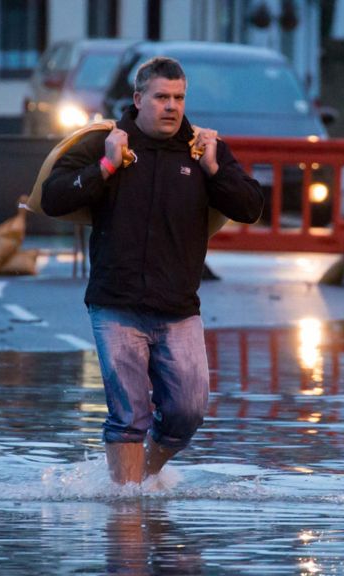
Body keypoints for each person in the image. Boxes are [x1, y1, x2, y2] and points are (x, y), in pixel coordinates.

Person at [41, 57, 263, 484]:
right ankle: (126, 515)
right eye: (162, 97)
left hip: (179, 308)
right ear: (139, 98)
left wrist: (215, 171)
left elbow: (251, 207)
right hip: (115, 302)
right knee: (128, 415)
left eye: (179, 97)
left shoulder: (201, 148)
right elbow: (53, 199)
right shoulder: (107, 141)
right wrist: (105, 167)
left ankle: (143, 477)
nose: (172, 107)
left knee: (188, 412)